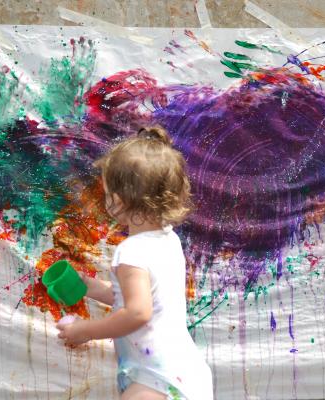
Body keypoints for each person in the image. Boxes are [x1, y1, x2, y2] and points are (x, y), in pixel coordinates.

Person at [56, 126, 213, 400]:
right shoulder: (167, 240)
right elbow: (141, 299)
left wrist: (85, 330)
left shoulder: (130, 252)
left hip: (156, 380)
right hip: (184, 373)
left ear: (117, 200)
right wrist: (91, 287)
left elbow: (137, 312)